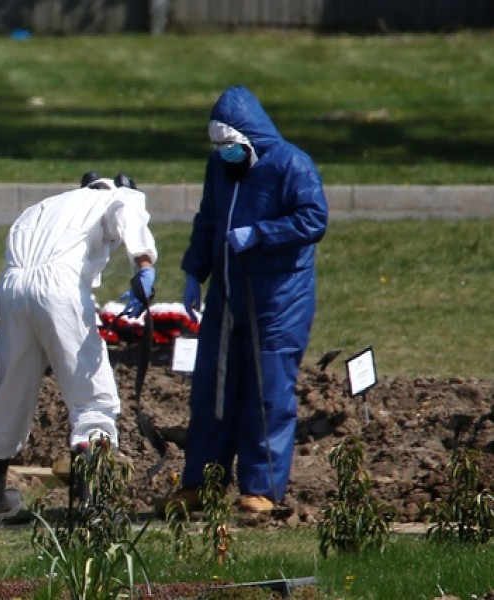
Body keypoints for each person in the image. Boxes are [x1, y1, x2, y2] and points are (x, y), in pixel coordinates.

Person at [170, 85, 328, 515]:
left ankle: (261, 488)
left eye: (231, 146)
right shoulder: (219, 167)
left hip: (278, 300)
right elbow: (208, 218)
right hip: (226, 295)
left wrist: (260, 234)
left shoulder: (291, 164)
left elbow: (313, 219)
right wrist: (193, 273)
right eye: (217, 147)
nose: (224, 153)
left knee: (267, 392)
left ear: (251, 140)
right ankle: (202, 481)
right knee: (214, 390)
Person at [0, 174, 158, 527]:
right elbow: (129, 213)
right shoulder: (118, 196)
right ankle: (93, 508)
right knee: (92, 397)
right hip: (60, 290)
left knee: (10, 393)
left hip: (12, 290)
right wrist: (144, 264)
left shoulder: (44, 206)